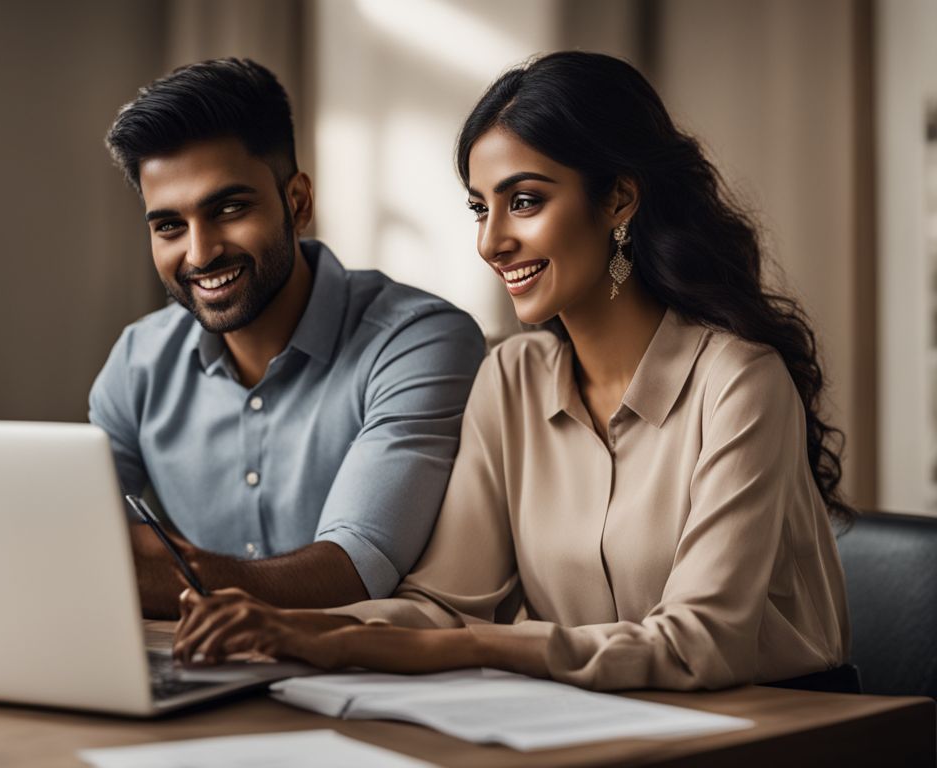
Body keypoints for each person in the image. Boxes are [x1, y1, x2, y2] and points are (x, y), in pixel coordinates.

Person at [173, 51, 851, 691]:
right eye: (480, 206)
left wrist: (464, 646)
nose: (491, 241)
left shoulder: (739, 384)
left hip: (787, 728)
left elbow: (699, 641)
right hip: (609, 724)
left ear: (618, 200)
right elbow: (444, 604)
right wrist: (302, 630)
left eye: (523, 200)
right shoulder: (511, 378)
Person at [94, 59, 485, 618]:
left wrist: (180, 572)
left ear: (297, 202)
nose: (200, 253)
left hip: (371, 684)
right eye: (169, 226)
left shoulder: (419, 341)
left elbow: (355, 570)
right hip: (204, 676)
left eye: (229, 209)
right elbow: (72, 534)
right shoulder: (139, 360)